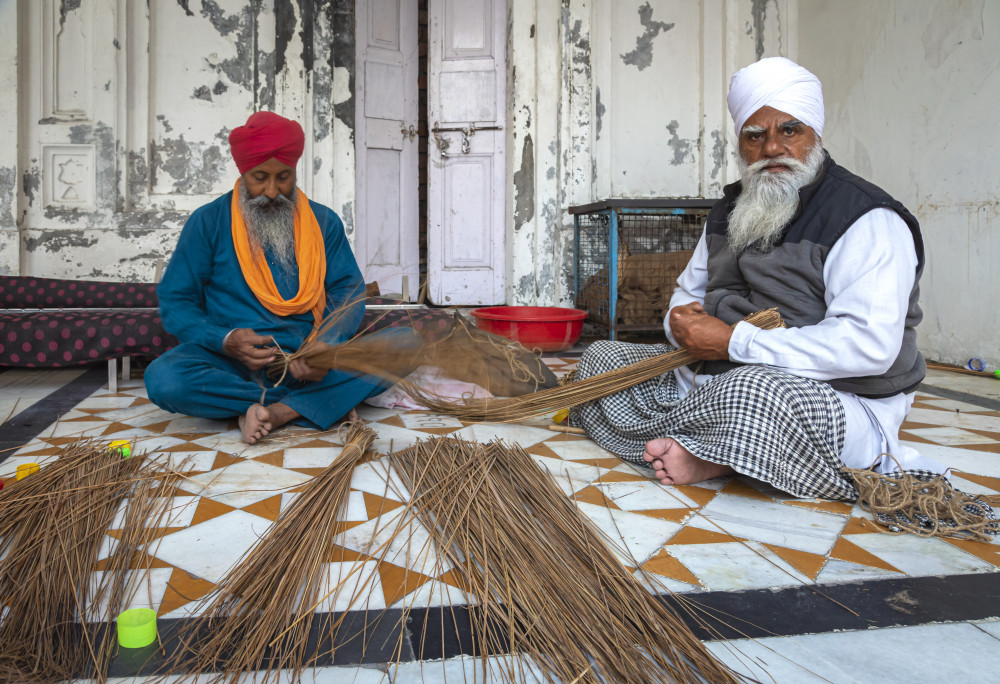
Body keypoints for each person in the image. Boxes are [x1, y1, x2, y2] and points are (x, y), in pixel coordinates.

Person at [570, 57, 946, 500]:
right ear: (741, 145)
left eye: (789, 131)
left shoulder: (867, 218)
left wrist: (732, 342)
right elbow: (685, 297)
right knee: (603, 359)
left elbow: (868, 347)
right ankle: (720, 444)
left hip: (828, 398)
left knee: (753, 392)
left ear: (815, 136)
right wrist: (681, 324)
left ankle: (709, 451)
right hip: (713, 380)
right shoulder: (729, 211)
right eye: (755, 136)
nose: (771, 149)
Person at [147, 111, 397, 444]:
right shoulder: (206, 223)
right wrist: (226, 339)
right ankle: (306, 405)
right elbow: (177, 302)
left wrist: (326, 344)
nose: (272, 190)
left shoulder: (325, 222)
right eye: (259, 177)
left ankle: (273, 411)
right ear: (243, 172)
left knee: (403, 344)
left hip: (306, 366)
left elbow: (347, 291)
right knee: (164, 379)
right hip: (230, 365)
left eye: (284, 177)